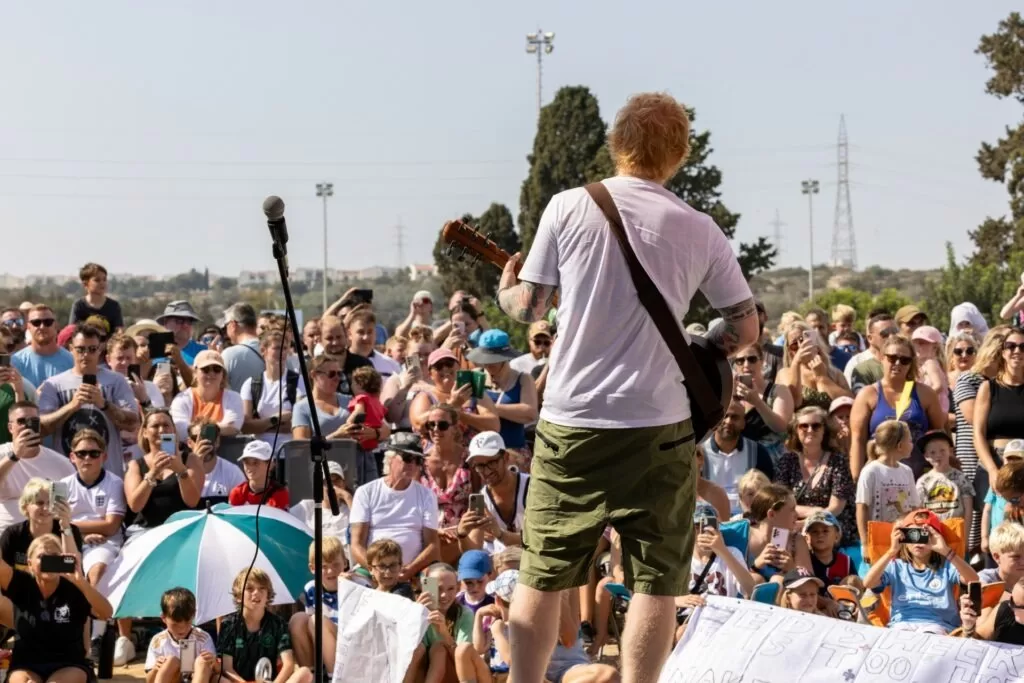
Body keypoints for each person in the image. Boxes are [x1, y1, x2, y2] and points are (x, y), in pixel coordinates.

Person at [495, 92, 759, 683]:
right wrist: (705, 342)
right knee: (656, 580)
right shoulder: (700, 229)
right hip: (660, 423)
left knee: (542, 571)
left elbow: (529, 306)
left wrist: (506, 287)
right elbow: (743, 328)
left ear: (617, 145)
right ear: (679, 154)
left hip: (572, 419)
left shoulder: (567, 207)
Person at [0, 533, 112, 682]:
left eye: (54, 556)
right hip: (26, 664)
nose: (48, 561)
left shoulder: (75, 588)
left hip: (68, 664)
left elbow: (106, 613)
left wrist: (82, 582)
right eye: (41, 557)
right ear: (30, 563)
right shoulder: (21, 584)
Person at [218, 567, 312, 683]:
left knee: (304, 673)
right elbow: (227, 668)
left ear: (268, 595)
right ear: (238, 597)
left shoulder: (278, 624)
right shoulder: (228, 625)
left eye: (262, 588)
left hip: (270, 681)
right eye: (249, 589)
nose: (256, 593)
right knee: (218, 679)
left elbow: (288, 664)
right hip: (239, 681)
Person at [145, 587, 217, 683]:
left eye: (187, 622)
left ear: (193, 615)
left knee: (202, 661)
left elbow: (217, 671)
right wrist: (155, 669)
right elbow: (149, 680)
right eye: (175, 624)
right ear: (163, 618)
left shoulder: (203, 638)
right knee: (170, 662)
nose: (182, 629)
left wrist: (213, 662)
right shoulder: (158, 641)